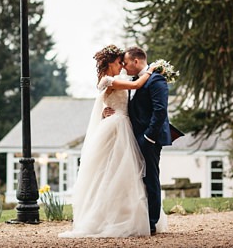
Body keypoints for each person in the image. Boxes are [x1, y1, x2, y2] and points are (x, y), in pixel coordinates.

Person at [59, 45, 155, 238]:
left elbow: (110, 100)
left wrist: (105, 110)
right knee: (110, 171)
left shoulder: (114, 79)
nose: (122, 66)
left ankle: (123, 214)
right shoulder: (108, 79)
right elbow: (136, 86)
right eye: (119, 62)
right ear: (110, 62)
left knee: (121, 173)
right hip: (116, 128)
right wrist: (151, 70)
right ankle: (106, 218)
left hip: (121, 124)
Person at [113, 45, 173, 236]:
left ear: (136, 61)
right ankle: (137, 219)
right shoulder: (133, 80)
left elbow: (160, 111)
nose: (124, 67)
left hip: (149, 139)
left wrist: (149, 137)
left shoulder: (156, 80)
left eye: (126, 62)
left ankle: (152, 223)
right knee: (136, 179)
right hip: (133, 137)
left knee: (151, 178)